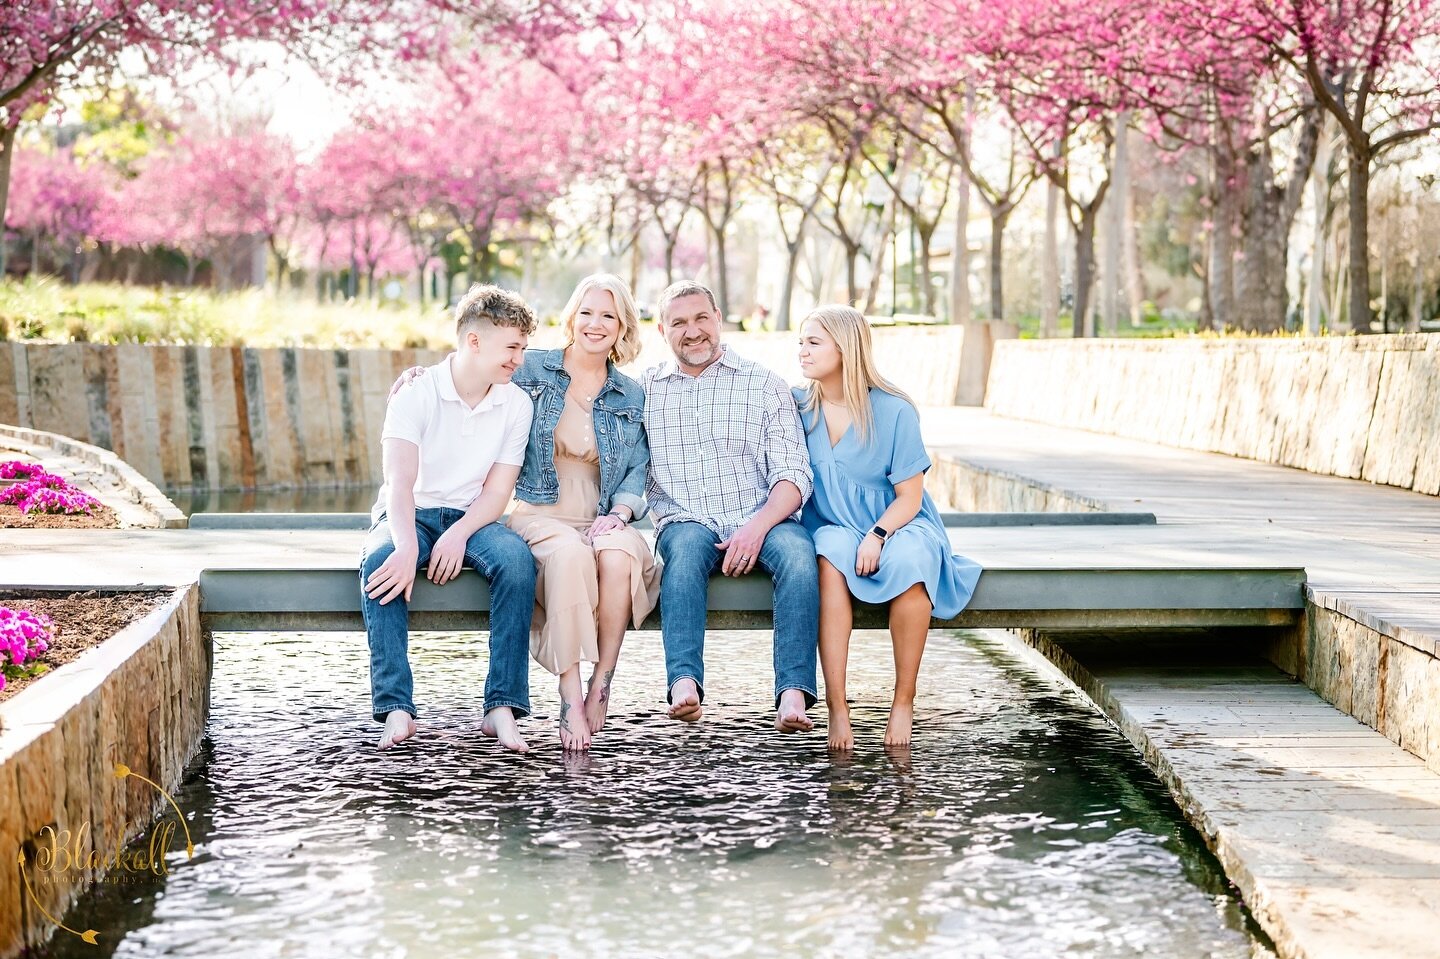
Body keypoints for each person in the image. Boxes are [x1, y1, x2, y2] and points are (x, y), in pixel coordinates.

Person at [794, 305, 982, 750]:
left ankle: (903, 701)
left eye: (813, 342)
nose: (801, 351)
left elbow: (910, 497)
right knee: (828, 564)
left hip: (897, 523)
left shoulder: (895, 411)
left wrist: (878, 535)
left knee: (914, 563)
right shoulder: (798, 407)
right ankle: (838, 709)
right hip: (833, 523)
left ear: (846, 348)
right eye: (800, 341)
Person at [360, 284, 538, 753]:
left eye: (523, 348)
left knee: (517, 562)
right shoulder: (416, 393)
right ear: (475, 341)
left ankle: (501, 705)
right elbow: (399, 485)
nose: (519, 359)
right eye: (512, 347)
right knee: (381, 562)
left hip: (472, 517)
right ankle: (396, 707)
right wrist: (406, 547)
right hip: (409, 512)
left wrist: (459, 534)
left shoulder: (516, 404)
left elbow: (498, 491)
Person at [642, 279, 819, 732]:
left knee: (801, 558)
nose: (693, 330)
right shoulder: (645, 392)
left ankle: (793, 691)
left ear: (718, 320)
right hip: (687, 519)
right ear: (662, 331)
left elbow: (794, 476)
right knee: (681, 557)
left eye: (702, 317)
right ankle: (684, 683)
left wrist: (756, 528)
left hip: (763, 515)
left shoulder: (763, 385)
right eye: (678, 322)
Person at [505, 274, 659, 751]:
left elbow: (638, 466)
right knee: (570, 556)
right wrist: (419, 376)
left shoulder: (631, 394)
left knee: (618, 556)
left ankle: (602, 683)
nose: (596, 324)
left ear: (622, 328)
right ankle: (570, 696)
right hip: (538, 507)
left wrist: (624, 511)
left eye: (608, 316)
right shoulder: (531, 369)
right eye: (587, 312)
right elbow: (477, 365)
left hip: (601, 511)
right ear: (573, 316)